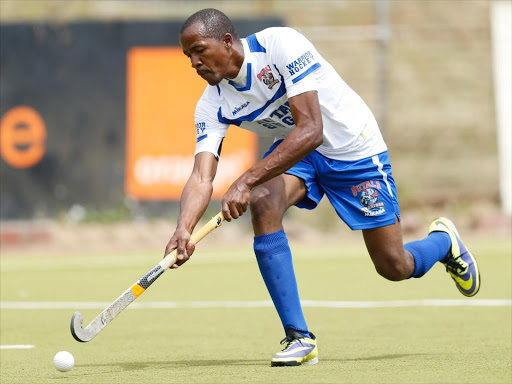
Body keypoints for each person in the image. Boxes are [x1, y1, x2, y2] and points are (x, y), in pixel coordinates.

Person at [165, 8, 481, 367]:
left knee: (394, 266)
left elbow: (312, 128)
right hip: (299, 152)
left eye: (199, 50)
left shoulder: (279, 45)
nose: (193, 62)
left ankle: (444, 242)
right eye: (188, 55)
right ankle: (299, 337)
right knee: (264, 203)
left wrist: (247, 179)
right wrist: (184, 228)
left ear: (226, 41)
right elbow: (201, 177)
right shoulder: (212, 104)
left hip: (352, 149)